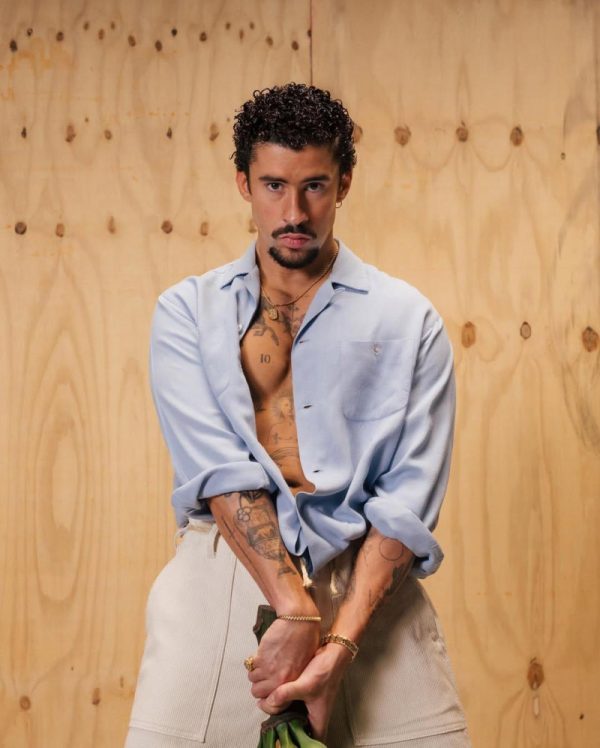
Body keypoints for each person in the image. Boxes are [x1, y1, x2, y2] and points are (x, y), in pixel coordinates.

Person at [125, 83, 471, 748]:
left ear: (344, 183)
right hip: (223, 579)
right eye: (274, 186)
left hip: (370, 593)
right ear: (243, 183)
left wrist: (340, 642)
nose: (294, 211)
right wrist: (294, 608)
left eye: (314, 186)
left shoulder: (408, 320)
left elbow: (407, 501)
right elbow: (219, 470)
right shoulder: (187, 313)